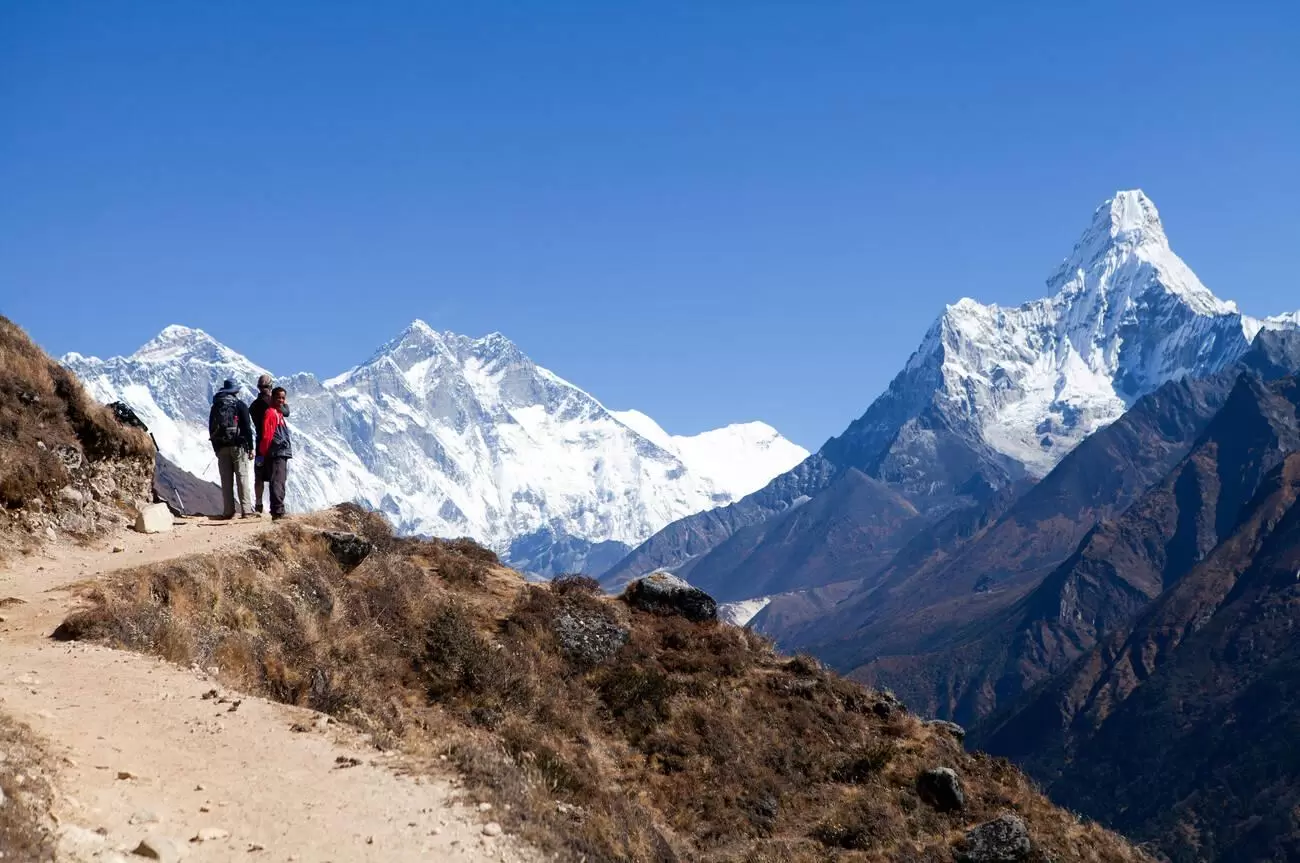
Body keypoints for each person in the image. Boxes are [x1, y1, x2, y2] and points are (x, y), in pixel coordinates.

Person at [207, 378, 254, 519]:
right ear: (235, 392)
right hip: (238, 446)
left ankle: (228, 511)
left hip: (221, 446)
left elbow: (211, 428)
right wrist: (251, 448)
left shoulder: (216, 406)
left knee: (226, 480)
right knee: (242, 477)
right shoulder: (240, 405)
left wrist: (216, 448)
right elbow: (246, 427)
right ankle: (246, 510)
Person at [248, 373, 289, 515]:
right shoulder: (273, 405)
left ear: (258, 387)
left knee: (259, 475)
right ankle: (277, 509)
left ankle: (258, 504)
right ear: (270, 387)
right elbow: (286, 411)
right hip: (272, 444)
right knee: (276, 477)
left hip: (260, 443)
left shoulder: (253, 406)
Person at [256, 386, 293, 521]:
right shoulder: (271, 413)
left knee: (280, 481)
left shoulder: (279, 414)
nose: (281, 401)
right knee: (277, 481)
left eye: (283, 398)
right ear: (272, 398)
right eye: (278, 398)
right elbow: (267, 436)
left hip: (280, 452)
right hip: (276, 452)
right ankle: (277, 512)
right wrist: (265, 452)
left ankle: (279, 510)